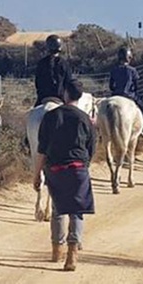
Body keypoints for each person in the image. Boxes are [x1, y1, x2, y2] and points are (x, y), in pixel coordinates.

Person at [34, 78, 96, 271]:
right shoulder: (86, 119)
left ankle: (56, 250)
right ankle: (72, 254)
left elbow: (41, 149)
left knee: (58, 209)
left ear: (65, 94)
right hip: (78, 168)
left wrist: (37, 174)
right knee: (76, 211)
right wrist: (84, 166)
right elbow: (91, 149)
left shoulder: (50, 116)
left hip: (55, 169)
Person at [109, 46, 143, 138]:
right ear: (128, 58)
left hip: (115, 95)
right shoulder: (132, 70)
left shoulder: (114, 70)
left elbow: (111, 86)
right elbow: (136, 87)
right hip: (129, 95)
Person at [34, 34, 74, 106]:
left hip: (43, 97)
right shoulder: (65, 64)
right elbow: (68, 82)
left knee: (32, 115)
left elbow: (37, 82)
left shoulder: (41, 63)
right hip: (61, 98)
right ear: (60, 47)